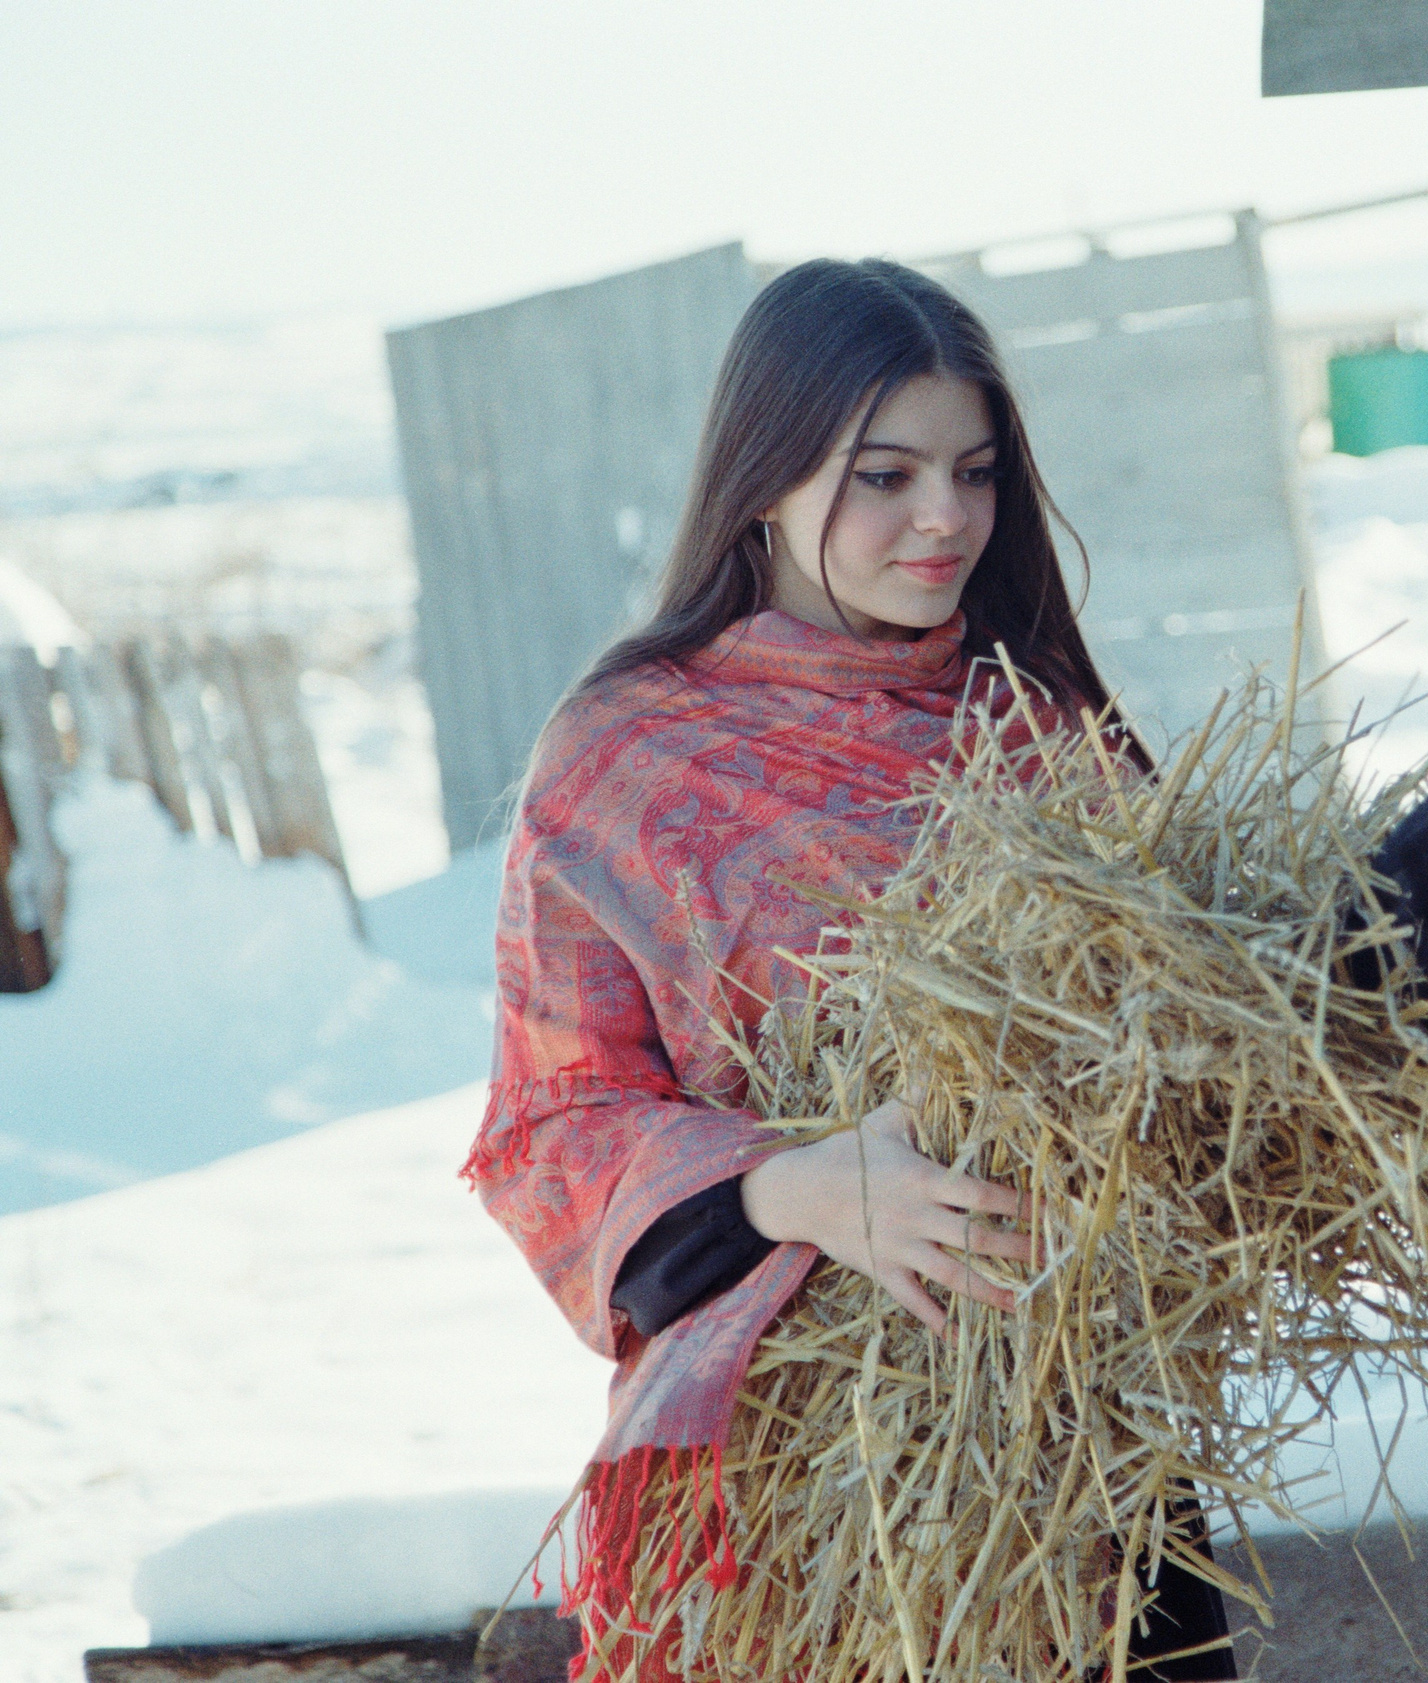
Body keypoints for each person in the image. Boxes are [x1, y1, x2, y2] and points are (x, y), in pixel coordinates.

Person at [463, 257, 1233, 1681]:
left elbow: (1195, 1059)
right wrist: (795, 1186)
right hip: (804, 1484)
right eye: (885, 476)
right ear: (765, 476)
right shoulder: (627, 757)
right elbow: (549, 1129)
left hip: (1077, 1460)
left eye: (975, 472)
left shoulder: (1042, 731)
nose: (947, 517)